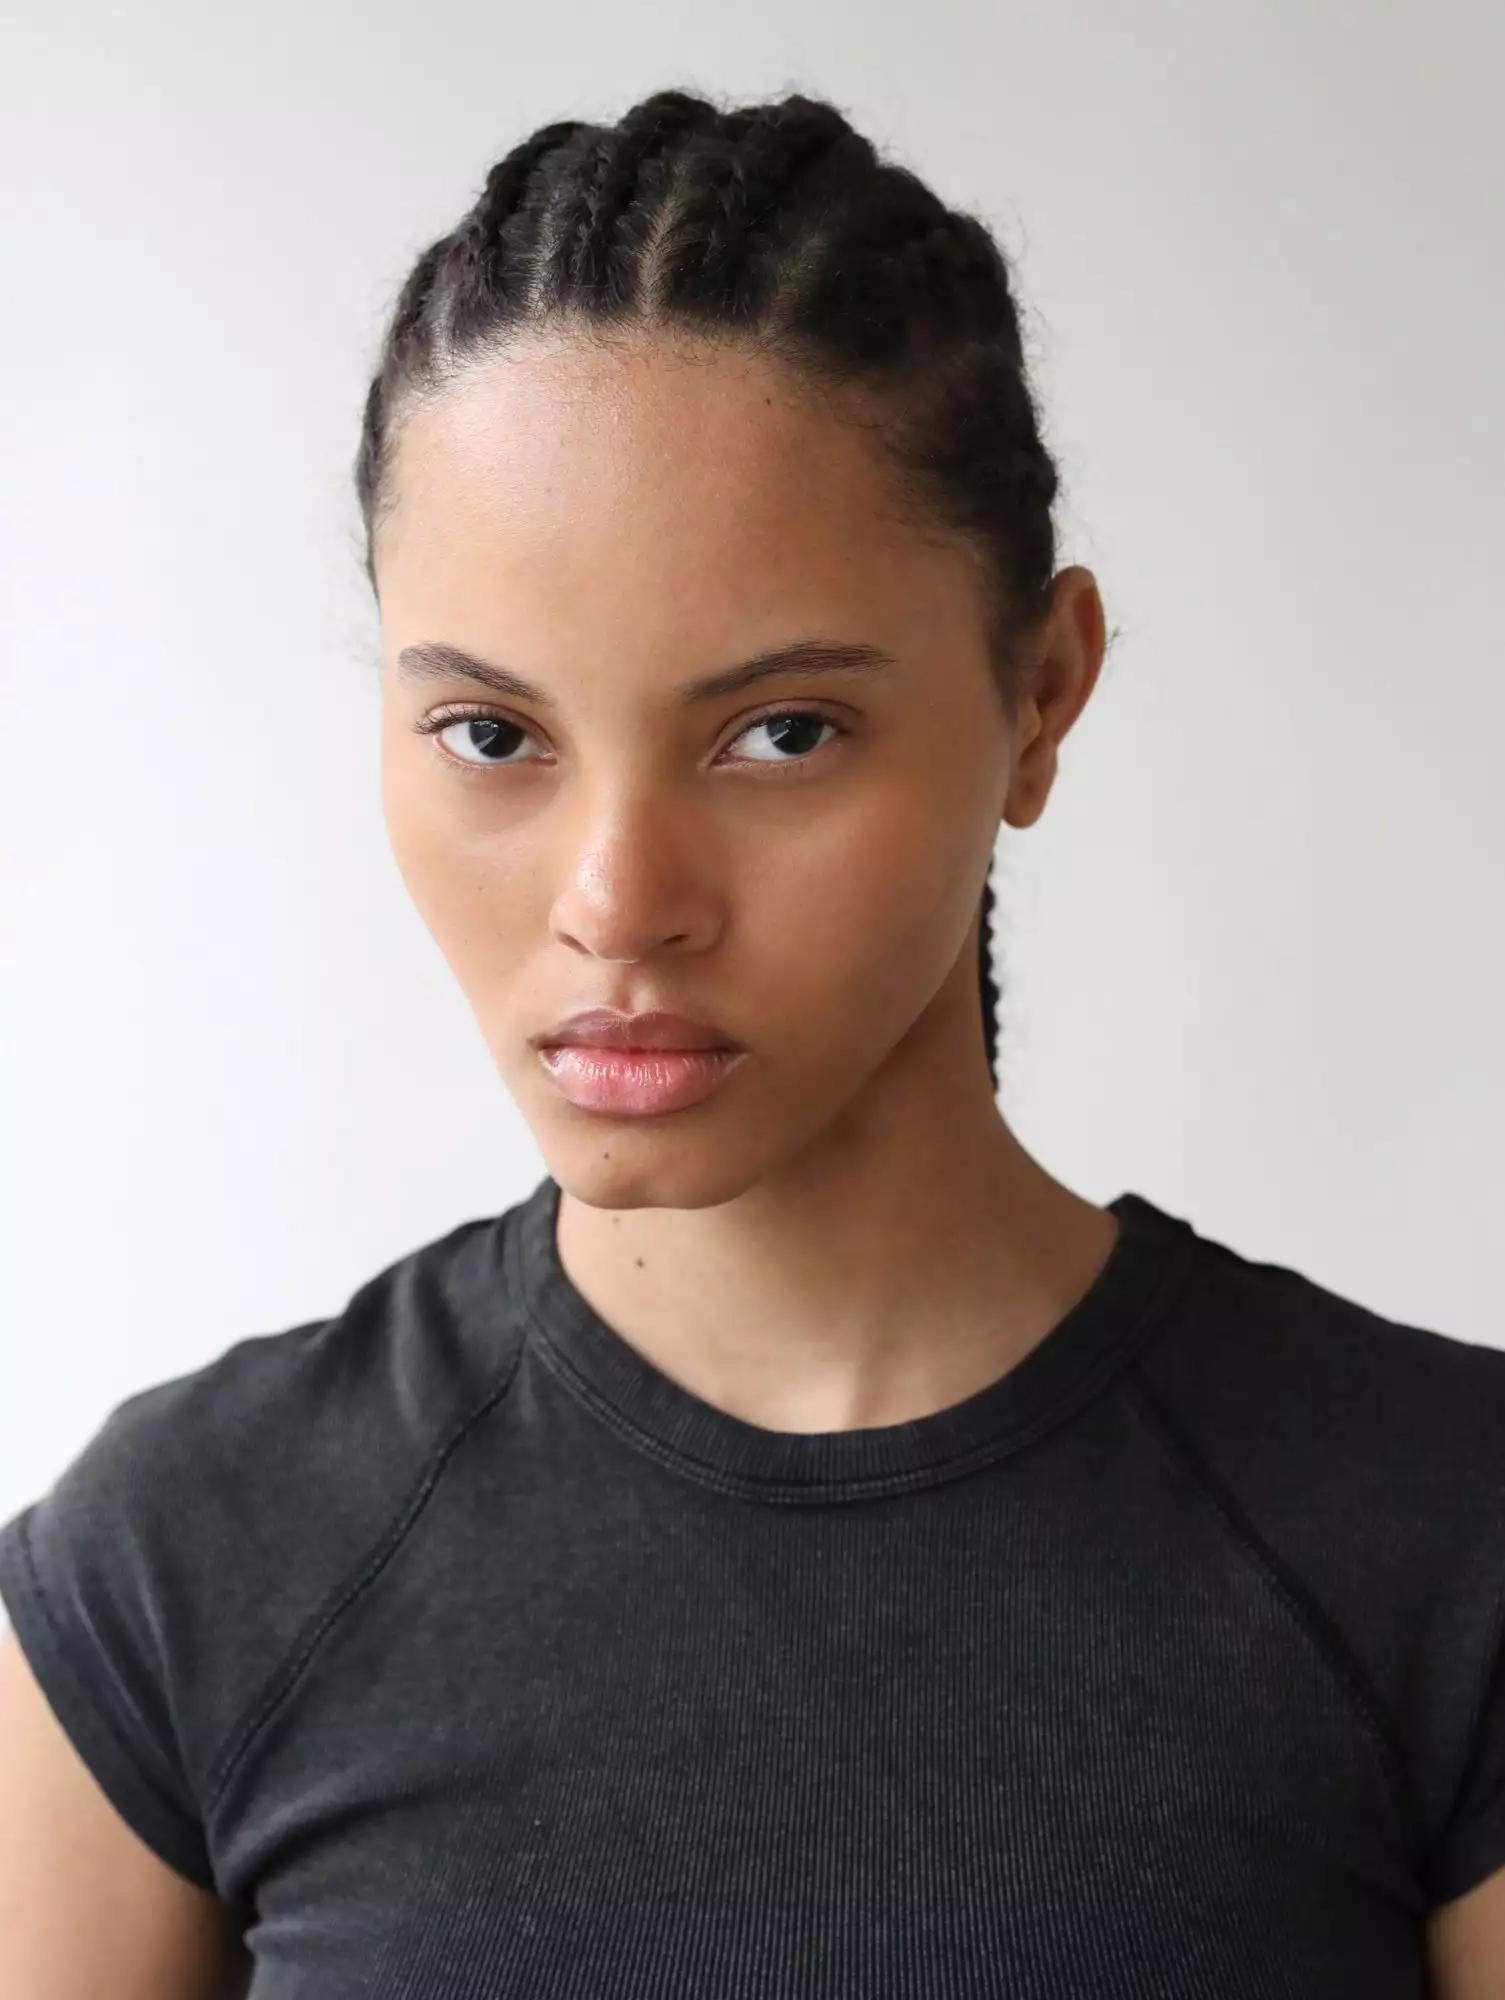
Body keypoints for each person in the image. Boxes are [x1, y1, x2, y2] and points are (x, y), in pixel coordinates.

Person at [0, 83, 1501, 2000]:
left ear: (1043, 695)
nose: (617, 902)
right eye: (491, 735)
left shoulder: (1446, 1545)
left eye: (780, 732)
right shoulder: (178, 1575)